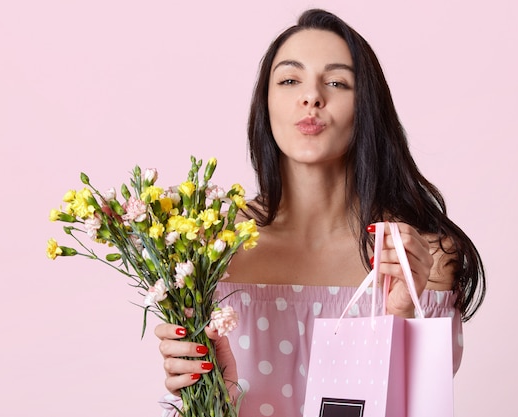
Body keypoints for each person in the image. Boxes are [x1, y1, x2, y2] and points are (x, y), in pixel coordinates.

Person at [155, 8, 485, 417]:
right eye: (290, 80)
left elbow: (420, 409)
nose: (311, 97)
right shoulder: (210, 248)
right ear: (266, 102)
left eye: (336, 82)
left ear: (367, 108)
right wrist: (205, 396)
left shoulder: (419, 256)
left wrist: (400, 316)